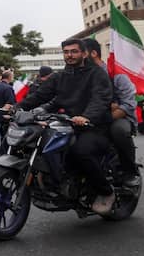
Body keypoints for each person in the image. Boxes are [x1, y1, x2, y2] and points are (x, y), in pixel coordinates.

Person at [15, 38, 116, 215]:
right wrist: (17, 107)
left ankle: (106, 192)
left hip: (94, 126)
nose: (69, 55)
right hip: (68, 124)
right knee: (44, 145)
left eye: (74, 51)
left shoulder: (97, 73)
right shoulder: (60, 76)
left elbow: (100, 99)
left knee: (80, 151)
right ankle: (56, 182)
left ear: (84, 53)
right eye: (66, 52)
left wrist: (86, 116)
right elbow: (39, 95)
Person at [82, 38, 139, 186]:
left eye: (81, 52)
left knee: (119, 130)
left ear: (93, 53)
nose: (76, 57)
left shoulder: (117, 75)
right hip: (92, 117)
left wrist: (108, 114)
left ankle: (129, 171)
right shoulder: (82, 77)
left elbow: (127, 105)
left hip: (116, 119)